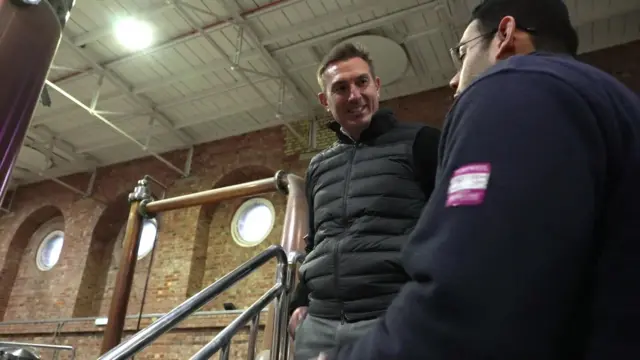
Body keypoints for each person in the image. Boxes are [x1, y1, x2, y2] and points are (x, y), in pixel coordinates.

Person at [314, 0, 640, 359]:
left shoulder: (513, 86)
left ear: (504, 35)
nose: (454, 78)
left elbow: (471, 289)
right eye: (340, 88)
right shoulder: (611, 102)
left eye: (462, 53)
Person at [287, 42, 441, 360]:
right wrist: (300, 299)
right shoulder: (318, 167)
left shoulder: (422, 142)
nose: (355, 95)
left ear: (377, 85)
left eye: (362, 82)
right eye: (341, 88)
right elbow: (317, 241)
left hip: (391, 319)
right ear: (325, 101)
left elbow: (450, 229)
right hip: (319, 326)